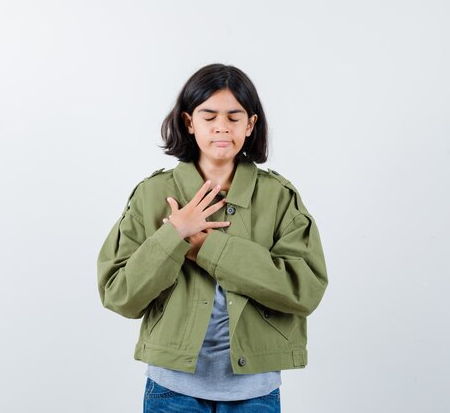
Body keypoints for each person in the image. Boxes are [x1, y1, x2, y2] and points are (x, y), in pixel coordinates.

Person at [97, 63, 329, 412]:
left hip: (255, 391)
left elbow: (304, 290)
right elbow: (119, 294)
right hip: (171, 388)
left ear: (251, 124)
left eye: (234, 117)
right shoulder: (152, 194)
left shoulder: (279, 197)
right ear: (189, 122)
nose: (222, 127)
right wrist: (174, 234)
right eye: (209, 116)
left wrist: (207, 248)